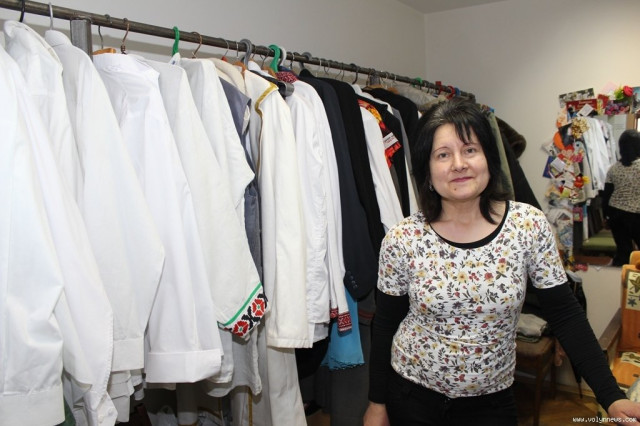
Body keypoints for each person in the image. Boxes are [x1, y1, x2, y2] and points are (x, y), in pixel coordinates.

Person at [363, 98, 640, 426]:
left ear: (489, 159)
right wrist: (377, 403)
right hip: (412, 398)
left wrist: (611, 395)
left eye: (470, 150)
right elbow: (386, 324)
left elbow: (565, 314)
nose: (458, 164)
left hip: (492, 403)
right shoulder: (403, 238)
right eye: (443, 154)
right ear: (426, 168)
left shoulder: (527, 226)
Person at [602, 128, 640, 266]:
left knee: (623, 251)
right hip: (637, 215)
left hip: (616, 214)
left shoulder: (613, 169)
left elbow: (606, 195)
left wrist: (606, 217)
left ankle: (621, 275)